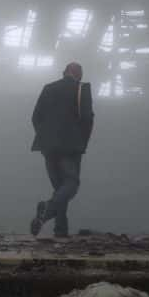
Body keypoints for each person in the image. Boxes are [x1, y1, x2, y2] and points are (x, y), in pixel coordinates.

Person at [29, 62, 94, 238]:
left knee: (60, 188)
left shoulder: (48, 88)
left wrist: (44, 137)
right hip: (71, 147)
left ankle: (61, 230)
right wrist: (83, 143)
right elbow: (88, 119)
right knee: (71, 184)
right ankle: (47, 211)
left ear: (64, 72)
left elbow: (36, 117)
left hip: (48, 146)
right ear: (78, 74)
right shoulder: (82, 89)